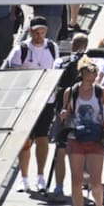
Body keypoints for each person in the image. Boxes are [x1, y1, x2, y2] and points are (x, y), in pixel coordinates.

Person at [10, 16, 61, 193]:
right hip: (25, 101)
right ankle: (23, 179)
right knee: (25, 141)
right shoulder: (21, 50)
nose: (40, 35)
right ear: (30, 31)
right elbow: (13, 76)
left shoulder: (52, 47)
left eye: (43, 31)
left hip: (47, 101)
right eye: (36, 31)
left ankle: (40, 177)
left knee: (42, 138)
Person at [59, 59, 104, 206]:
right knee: (76, 181)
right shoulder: (71, 92)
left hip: (96, 137)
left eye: (93, 77)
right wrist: (64, 113)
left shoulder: (101, 91)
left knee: (95, 181)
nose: (91, 81)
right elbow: (66, 111)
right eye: (88, 78)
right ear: (82, 76)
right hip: (75, 136)